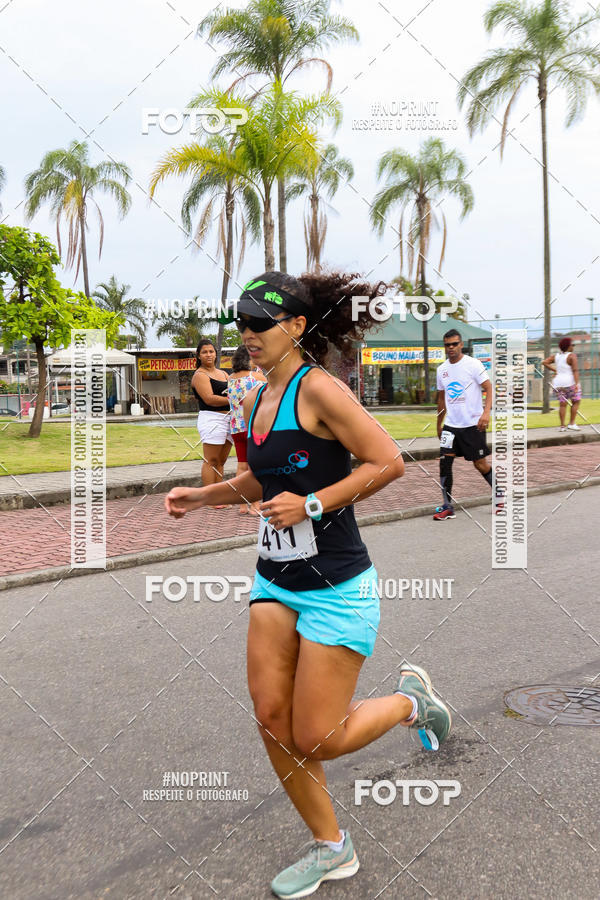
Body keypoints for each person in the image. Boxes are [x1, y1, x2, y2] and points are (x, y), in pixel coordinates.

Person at [165, 271, 452, 899]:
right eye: (241, 324)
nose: (247, 336)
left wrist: (315, 505)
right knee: (272, 719)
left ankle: (410, 704)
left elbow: (389, 461)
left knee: (316, 735)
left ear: (296, 327)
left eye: (259, 325)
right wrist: (200, 496)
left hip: (337, 585)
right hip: (275, 580)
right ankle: (332, 848)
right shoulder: (253, 395)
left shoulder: (319, 389)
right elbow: (258, 483)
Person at [434, 328, 501, 520]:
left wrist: (486, 413)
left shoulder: (473, 364)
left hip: (473, 425)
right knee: (444, 464)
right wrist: (439, 424)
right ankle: (447, 506)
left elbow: (488, 387)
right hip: (451, 427)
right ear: (444, 347)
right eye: (448, 345)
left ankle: (499, 494)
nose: (451, 348)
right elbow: (441, 399)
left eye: (455, 344)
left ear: (461, 344)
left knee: (480, 464)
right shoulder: (442, 370)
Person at [192, 338, 233, 509]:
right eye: (205, 352)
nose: (209, 354)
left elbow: (235, 388)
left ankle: (219, 497)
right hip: (211, 418)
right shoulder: (199, 375)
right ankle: (210, 499)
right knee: (211, 459)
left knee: (222, 460)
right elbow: (209, 399)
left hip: (229, 418)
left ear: (216, 354)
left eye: (211, 351)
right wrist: (234, 399)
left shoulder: (224, 374)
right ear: (199, 356)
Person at [227, 344, 266, 515]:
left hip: (236, 427)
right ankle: (255, 505)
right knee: (254, 466)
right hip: (252, 425)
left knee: (241, 465)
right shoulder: (256, 377)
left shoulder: (230, 378)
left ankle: (242, 505)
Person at [542, 336, 582, 431]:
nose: (574, 346)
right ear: (568, 346)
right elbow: (575, 370)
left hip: (558, 383)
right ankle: (572, 423)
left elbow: (544, 362)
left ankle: (562, 426)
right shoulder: (572, 356)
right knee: (576, 402)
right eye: (573, 345)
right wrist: (576, 384)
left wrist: (555, 370)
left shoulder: (556, 356)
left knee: (562, 404)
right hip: (570, 383)